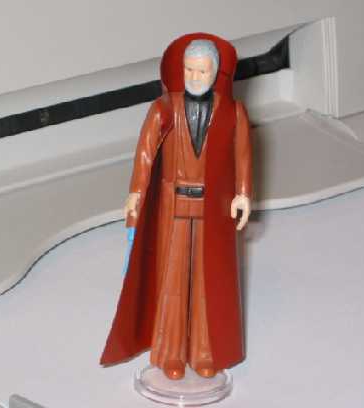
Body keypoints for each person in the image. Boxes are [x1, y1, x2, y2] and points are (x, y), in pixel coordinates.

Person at [100, 33, 252, 381]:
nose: (194, 77)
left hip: (212, 209)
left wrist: (243, 194)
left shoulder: (233, 112)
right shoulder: (163, 109)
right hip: (173, 206)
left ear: (215, 73)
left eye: (202, 71)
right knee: (172, 281)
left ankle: (204, 352)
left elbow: (242, 154)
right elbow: (144, 153)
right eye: (189, 70)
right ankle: (170, 353)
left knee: (207, 284)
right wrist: (136, 193)